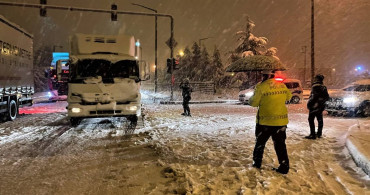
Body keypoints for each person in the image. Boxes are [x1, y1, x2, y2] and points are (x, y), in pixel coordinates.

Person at [249, 70, 292, 174]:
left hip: (265, 122)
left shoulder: (261, 87)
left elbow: (254, 103)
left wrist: (253, 97)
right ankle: (284, 166)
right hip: (280, 122)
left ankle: (257, 163)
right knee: (280, 145)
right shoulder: (282, 85)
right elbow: (289, 97)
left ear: (264, 75)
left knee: (260, 143)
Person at [305, 74, 329, 139]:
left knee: (311, 119)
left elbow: (313, 97)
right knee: (320, 120)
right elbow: (327, 97)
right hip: (320, 107)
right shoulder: (324, 87)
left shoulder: (315, 86)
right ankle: (319, 133)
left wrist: (310, 104)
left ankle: (312, 134)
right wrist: (321, 103)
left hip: (314, 106)